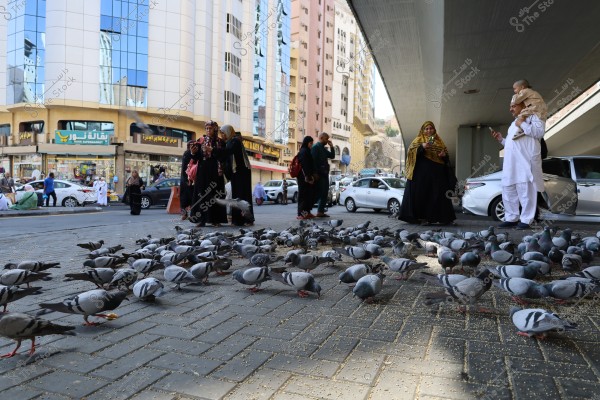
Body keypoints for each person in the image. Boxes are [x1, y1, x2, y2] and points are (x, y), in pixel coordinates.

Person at [490, 95, 545, 230]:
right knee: (508, 190)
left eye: (513, 106)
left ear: (523, 105)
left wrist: (522, 123)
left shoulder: (534, 117)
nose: (510, 109)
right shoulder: (512, 124)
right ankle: (511, 218)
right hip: (510, 164)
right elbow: (513, 143)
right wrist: (501, 140)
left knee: (526, 191)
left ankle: (526, 220)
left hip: (524, 162)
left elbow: (539, 133)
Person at [398, 121, 456, 225]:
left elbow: (446, 158)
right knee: (422, 195)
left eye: (431, 128)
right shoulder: (418, 140)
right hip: (421, 176)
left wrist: (444, 155)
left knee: (439, 196)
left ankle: (443, 218)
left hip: (438, 176)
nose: (429, 130)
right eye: (426, 129)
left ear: (434, 130)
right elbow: (410, 153)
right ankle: (421, 218)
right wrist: (422, 147)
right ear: (423, 130)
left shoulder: (440, 142)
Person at [190, 120, 227, 227]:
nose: (208, 130)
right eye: (206, 128)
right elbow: (197, 158)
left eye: (210, 128)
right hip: (203, 172)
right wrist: (193, 152)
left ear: (215, 129)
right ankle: (201, 220)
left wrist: (212, 150)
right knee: (202, 195)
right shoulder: (200, 141)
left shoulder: (220, 142)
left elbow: (224, 156)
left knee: (215, 194)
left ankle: (216, 219)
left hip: (215, 171)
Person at [221, 124, 255, 226]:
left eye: (223, 133)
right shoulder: (230, 142)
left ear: (228, 132)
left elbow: (228, 152)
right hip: (237, 173)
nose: (222, 135)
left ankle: (246, 219)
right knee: (237, 196)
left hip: (241, 173)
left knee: (242, 196)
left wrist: (214, 151)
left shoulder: (234, 141)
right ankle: (238, 220)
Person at [311, 132, 335, 217]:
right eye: (326, 139)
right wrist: (314, 173)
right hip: (319, 174)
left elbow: (332, 156)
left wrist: (332, 146)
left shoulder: (323, 148)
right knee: (318, 193)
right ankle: (307, 209)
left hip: (324, 174)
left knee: (324, 192)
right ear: (321, 138)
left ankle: (320, 211)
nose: (327, 141)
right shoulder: (316, 147)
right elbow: (313, 161)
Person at [297, 136, 317, 220]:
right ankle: (301, 214)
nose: (311, 145)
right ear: (306, 143)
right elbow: (305, 166)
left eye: (312, 143)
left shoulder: (306, 151)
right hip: (304, 178)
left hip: (307, 177)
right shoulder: (304, 151)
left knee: (308, 196)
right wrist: (308, 177)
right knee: (303, 196)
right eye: (310, 143)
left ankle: (307, 213)